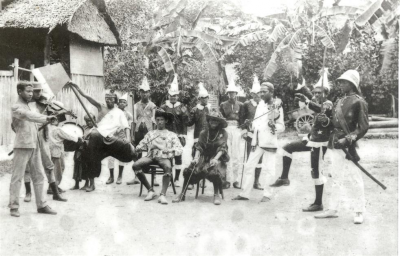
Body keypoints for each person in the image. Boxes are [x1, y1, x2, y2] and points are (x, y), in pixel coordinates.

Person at [314, 70, 369, 224]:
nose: (340, 84)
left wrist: (348, 138)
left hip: (347, 146)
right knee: (335, 177)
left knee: (354, 178)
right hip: (334, 143)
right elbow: (333, 124)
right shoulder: (339, 101)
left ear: (352, 84)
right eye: (340, 82)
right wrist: (325, 120)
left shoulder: (359, 102)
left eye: (344, 82)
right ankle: (332, 208)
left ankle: (359, 211)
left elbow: (363, 127)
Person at [270, 86, 333, 212]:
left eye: (319, 93)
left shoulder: (327, 104)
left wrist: (307, 101)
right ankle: (284, 178)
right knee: (287, 148)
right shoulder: (318, 103)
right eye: (314, 93)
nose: (316, 95)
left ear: (326, 94)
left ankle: (318, 203)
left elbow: (322, 109)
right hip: (312, 139)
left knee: (316, 171)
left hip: (320, 143)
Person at [69, 83, 132, 192]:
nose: (109, 101)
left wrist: (128, 139)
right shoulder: (100, 106)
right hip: (96, 137)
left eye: (111, 99)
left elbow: (126, 127)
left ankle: (116, 176)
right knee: (90, 157)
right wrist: (76, 86)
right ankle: (90, 183)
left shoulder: (119, 113)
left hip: (109, 139)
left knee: (126, 154)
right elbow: (86, 97)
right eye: (107, 99)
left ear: (115, 101)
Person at [9, 81, 57, 217]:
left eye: (32, 91)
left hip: (34, 144)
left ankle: (41, 205)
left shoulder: (30, 106)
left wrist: (47, 118)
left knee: (39, 175)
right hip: (22, 146)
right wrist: (46, 117)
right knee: (17, 177)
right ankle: (13, 207)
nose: (31, 94)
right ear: (19, 91)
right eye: (28, 91)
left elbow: (33, 119)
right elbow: (28, 116)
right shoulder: (16, 107)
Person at [232, 82, 284, 202]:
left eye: (264, 92)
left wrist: (274, 126)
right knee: (249, 166)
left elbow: (282, 126)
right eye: (260, 91)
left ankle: (267, 194)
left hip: (269, 142)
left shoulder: (277, 105)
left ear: (271, 92)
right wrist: (250, 125)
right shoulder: (260, 104)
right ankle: (245, 193)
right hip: (256, 141)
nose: (261, 94)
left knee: (269, 169)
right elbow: (257, 122)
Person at [173, 110, 229, 205]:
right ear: (209, 121)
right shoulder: (204, 132)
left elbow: (222, 148)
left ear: (219, 122)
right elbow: (199, 146)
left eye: (216, 121)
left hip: (218, 158)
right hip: (204, 158)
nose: (213, 123)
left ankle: (216, 195)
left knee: (215, 171)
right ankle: (182, 194)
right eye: (212, 120)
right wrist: (195, 158)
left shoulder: (223, 133)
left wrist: (215, 159)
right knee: (190, 170)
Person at [23, 83, 67, 202]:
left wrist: (56, 115)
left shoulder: (46, 104)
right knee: (27, 164)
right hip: (29, 136)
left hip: (43, 136)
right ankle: (28, 192)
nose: (37, 94)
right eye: (34, 91)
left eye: (39, 91)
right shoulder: (25, 104)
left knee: (48, 163)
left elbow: (57, 120)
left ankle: (55, 192)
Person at [132, 109, 183, 205]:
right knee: (136, 165)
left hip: (164, 157)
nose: (159, 122)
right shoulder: (150, 134)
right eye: (158, 119)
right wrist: (138, 148)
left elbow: (179, 149)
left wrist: (170, 151)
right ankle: (150, 190)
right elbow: (142, 144)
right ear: (155, 120)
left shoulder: (171, 135)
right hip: (151, 156)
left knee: (168, 167)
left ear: (166, 121)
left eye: (162, 120)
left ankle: (162, 195)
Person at [127, 77, 158, 186]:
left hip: (149, 131)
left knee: (152, 152)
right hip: (138, 131)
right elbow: (133, 121)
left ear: (149, 93)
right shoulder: (135, 106)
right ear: (140, 93)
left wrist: (155, 134)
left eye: (146, 92)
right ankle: (137, 176)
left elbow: (155, 121)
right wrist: (132, 135)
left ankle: (154, 178)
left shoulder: (153, 106)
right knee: (137, 153)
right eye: (142, 92)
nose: (144, 94)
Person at [160, 74, 190, 187]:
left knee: (178, 156)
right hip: (166, 135)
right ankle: (168, 177)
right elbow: (159, 121)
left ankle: (177, 178)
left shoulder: (181, 107)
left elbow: (185, 123)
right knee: (166, 156)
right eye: (171, 96)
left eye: (175, 96)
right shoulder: (163, 107)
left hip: (178, 135)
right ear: (168, 95)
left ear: (178, 96)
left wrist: (183, 136)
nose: (173, 98)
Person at [48, 107, 82, 194]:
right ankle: (53, 188)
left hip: (50, 152)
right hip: (57, 152)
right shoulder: (57, 129)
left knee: (52, 170)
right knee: (58, 170)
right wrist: (78, 138)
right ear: (54, 121)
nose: (58, 122)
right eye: (57, 120)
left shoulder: (48, 128)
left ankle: (52, 187)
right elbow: (68, 136)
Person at [239, 76, 263, 190]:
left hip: (261, 134)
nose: (258, 95)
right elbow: (241, 119)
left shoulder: (263, 104)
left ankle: (257, 181)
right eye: (256, 94)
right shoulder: (246, 104)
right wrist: (243, 131)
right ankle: (247, 182)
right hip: (250, 134)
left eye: (260, 93)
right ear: (252, 94)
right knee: (250, 157)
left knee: (260, 158)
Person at [186, 82, 211, 190]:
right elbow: (189, 123)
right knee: (195, 157)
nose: (204, 100)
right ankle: (192, 181)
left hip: (209, 137)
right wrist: (186, 115)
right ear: (199, 99)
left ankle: (202, 180)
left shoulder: (212, 108)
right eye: (202, 98)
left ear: (208, 98)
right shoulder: (195, 109)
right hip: (198, 137)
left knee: (205, 159)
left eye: (206, 98)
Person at [219, 82, 244, 189]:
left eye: (233, 93)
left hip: (237, 129)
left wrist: (243, 129)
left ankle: (237, 180)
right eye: (230, 93)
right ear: (227, 94)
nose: (232, 95)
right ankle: (227, 180)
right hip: (227, 129)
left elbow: (242, 118)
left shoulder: (241, 105)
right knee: (227, 153)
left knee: (237, 154)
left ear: (236, 93)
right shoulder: (223, 104)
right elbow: (221, 118)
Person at [106, 93, 134, 185]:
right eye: (120, 102)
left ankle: (120, 176)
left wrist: (128, 135)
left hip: (122, 136)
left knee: (121, 155)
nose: (122, 104)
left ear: (126, 104)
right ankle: (111, 176)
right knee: (110, 156)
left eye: (124, 102)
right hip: (113, 135)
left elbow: (130, 123)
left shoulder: (128, 114)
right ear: (117, 103)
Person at [70, 114, 95, 190]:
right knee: (78, 166)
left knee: (88, 167)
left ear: (94, 120)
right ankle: (76, 184)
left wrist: (85, 141)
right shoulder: (83, 128)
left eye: (90, 120)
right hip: (80, 149)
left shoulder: (95, 129)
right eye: (87, 121)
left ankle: (89, 184)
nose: (89, 123)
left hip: (89, 150)